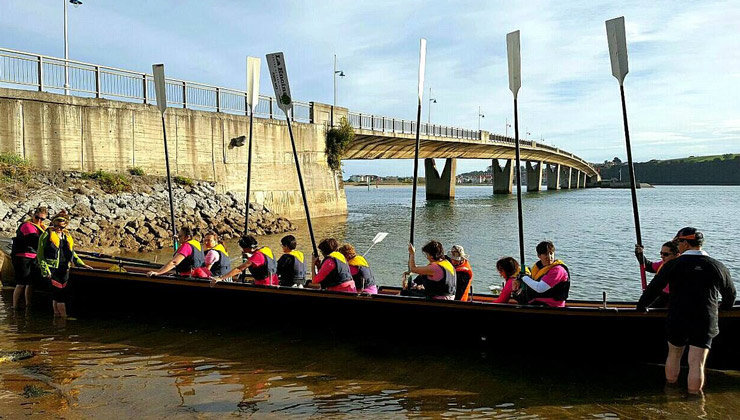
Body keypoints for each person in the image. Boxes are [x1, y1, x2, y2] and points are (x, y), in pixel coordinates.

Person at [637, 227, 735, 394]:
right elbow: (730, 294)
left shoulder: (673, 265)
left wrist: (642, 307)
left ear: (685, 243)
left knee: (674, 355)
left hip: (678, 317)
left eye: (679, 242)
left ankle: (670, 389)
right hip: (705, 318)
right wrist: (724, 308)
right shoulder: (716, 265)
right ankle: (694, 398)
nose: (678, 246)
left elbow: (653, 290)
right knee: (697, 363)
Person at [36, 210, 92, 317]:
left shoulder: (66, 236)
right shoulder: (46, 235)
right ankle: (64, 318)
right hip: (53, 269)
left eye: (61, 227)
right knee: (60, 295)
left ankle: (57, 316)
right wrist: (45, 270)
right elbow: (40, 255)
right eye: (56, 226)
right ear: (53, 223)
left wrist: (82, 264)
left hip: (64, 269)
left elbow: (72, 253)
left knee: (57, 296)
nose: (59, 229)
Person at [11, 206, 48, 309]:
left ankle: (28, 304)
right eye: (37, 217)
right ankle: (15, 306)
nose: (39, 220)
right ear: (33, 215)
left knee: (30, 283)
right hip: (23, 257)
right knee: (21, 283)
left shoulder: (41, 227)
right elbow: (35, 241)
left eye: (42, 219)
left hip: (34, 257)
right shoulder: (27, 226)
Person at [517, 241, 570, 307]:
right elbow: (532, 283)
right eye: (545, 254)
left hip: (552, 306)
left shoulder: (558, 270)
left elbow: (540, 288)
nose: (549, 257)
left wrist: (523, 277)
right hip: (538, 303)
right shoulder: (539, 267)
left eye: (551, 253)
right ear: (539, 256)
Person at [212, 235, 277, 286]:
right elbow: (260, 262)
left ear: (245, 248)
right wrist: (249, 257)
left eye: (242, 248)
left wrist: (221, 278)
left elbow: (239, 269)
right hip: (273, 280)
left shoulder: (257, 256)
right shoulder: (265, 249)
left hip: (265, 284)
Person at [635, 240, 680, 307]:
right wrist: (639, 254)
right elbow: (648, 266)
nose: (662, 256)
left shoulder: (679, 268)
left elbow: (665, 296)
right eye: (661, 253)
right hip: (660, 297)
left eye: (665, 254)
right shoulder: (663, 263)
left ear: (677, 255)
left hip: (669, 301)